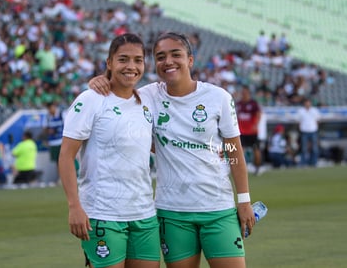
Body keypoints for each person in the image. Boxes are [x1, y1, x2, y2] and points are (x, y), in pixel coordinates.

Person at [89, 32, 255, 268]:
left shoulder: (218, 97)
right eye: (160, 56)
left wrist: (244, 200)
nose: (168, 61)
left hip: (218, 207)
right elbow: (119, 92)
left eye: (175, 54)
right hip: (172, 211)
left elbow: (233, 150)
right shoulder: (146, 96)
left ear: (190, 59)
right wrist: (99, 79)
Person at [59, 33, 160, 268]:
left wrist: (214, 149)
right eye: (123, 59)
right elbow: (65, 156)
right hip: (103, 213)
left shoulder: (148, 100)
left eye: (138, 60)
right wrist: (74, 206)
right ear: (109, 63)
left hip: (144, 213)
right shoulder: (91, 100)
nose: (131, 66)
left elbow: (162, 144)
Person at [236, 85, 263, 175]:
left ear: (248, 93)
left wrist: (256, 124)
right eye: (242, 93)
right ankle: (241, 169)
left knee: (256, 150)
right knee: (240, 151)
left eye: (245, 92)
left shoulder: (253, 104)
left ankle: (257, 168)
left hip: (252, 132)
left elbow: (259, 114)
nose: (243, 94)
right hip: (241, 131)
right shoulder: (239, 104)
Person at [296, 98, 320, 167]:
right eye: (306, 102)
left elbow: (318, 120)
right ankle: (303, 163)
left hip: (313, 131)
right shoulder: (300, 111)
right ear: (304, 103)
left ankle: (313, 163)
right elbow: (298, 121)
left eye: (308, 102)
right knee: (304, 148)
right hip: (304, 131)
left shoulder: (314, 110)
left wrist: (315, 128)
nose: (307, 104)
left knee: (314, 148)